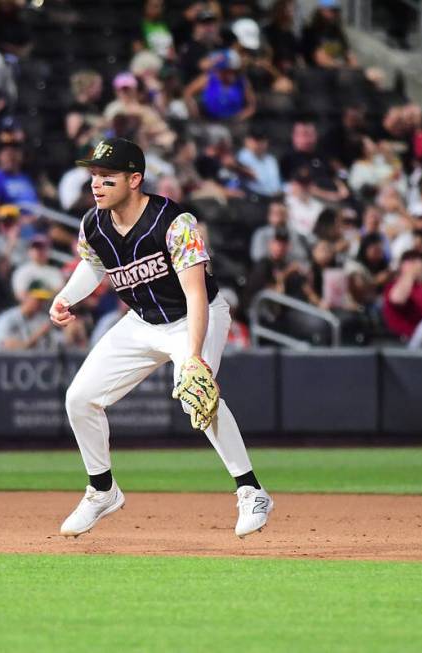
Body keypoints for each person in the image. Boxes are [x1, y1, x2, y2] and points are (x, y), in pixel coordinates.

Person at [48, 138, 271, 539]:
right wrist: (66, 296)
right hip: (142, 322)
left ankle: (251, 490)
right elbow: (93, 265)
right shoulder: (93, 224)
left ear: (135, 179)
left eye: (107, 176)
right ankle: (102, 491)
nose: (96, 184)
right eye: (94, 176)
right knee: (79, 398)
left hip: (194, 316)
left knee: (195, 391)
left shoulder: (173, 222)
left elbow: (196, 294)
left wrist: (195, 358)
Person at [0, 282, 59, 350]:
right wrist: (38, 335)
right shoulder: (6, 319)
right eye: (38, 299)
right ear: (26, 296)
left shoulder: (44, 319)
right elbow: (7, 348)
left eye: (43, 300)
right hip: (10, 360)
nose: (41, 303)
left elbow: (58, 345)